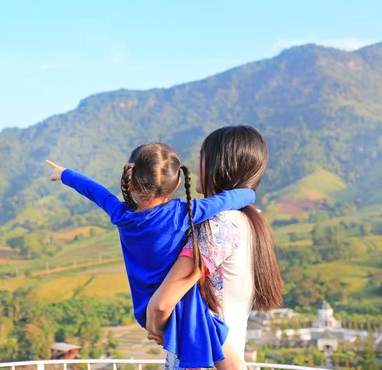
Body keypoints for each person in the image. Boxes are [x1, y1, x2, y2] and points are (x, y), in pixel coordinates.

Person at [46, 142, 254, 369]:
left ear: (131, 183)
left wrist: (64, 174)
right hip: (178, 302)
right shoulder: (182, 213)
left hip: (146, 310)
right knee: (216, 342)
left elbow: (95, 191)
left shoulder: (121, 215)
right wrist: (249, 193)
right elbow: (226, 200)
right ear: (176, 183)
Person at [146, 126, 284, 370]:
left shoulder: (221, 225)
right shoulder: (248, 222)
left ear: (220, 165)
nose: (197, 165)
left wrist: (155, 326)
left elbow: (161, 303)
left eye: (201, 157)